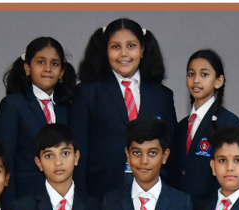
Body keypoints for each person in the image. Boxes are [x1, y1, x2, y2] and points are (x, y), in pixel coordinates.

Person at [73, 17, 177, 199]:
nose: (123, 53)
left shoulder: (162, 94)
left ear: (142, 50)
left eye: (131, 46)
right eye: (115, 47)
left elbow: (171, 147)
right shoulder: (87, 92)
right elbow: (79, 148)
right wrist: (81, 198)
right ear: (106, 51)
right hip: (102, 190)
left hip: (152, 190)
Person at [0, 37, 76, 208]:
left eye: (54, 64)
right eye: (41, 62)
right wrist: (9, 206)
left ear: (62, 72)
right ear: (27, 68)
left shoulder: (66, 106)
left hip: (63, 199)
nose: (48, 68)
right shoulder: (13, 105)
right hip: (26, 198)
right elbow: (5, 159)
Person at [170, 50, 239, 208]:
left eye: (204, 74)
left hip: (210, 208)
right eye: (191, 74)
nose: (196, 80)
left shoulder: (228, 122)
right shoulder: (182, 125)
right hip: (179, 207)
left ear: (218, 81)